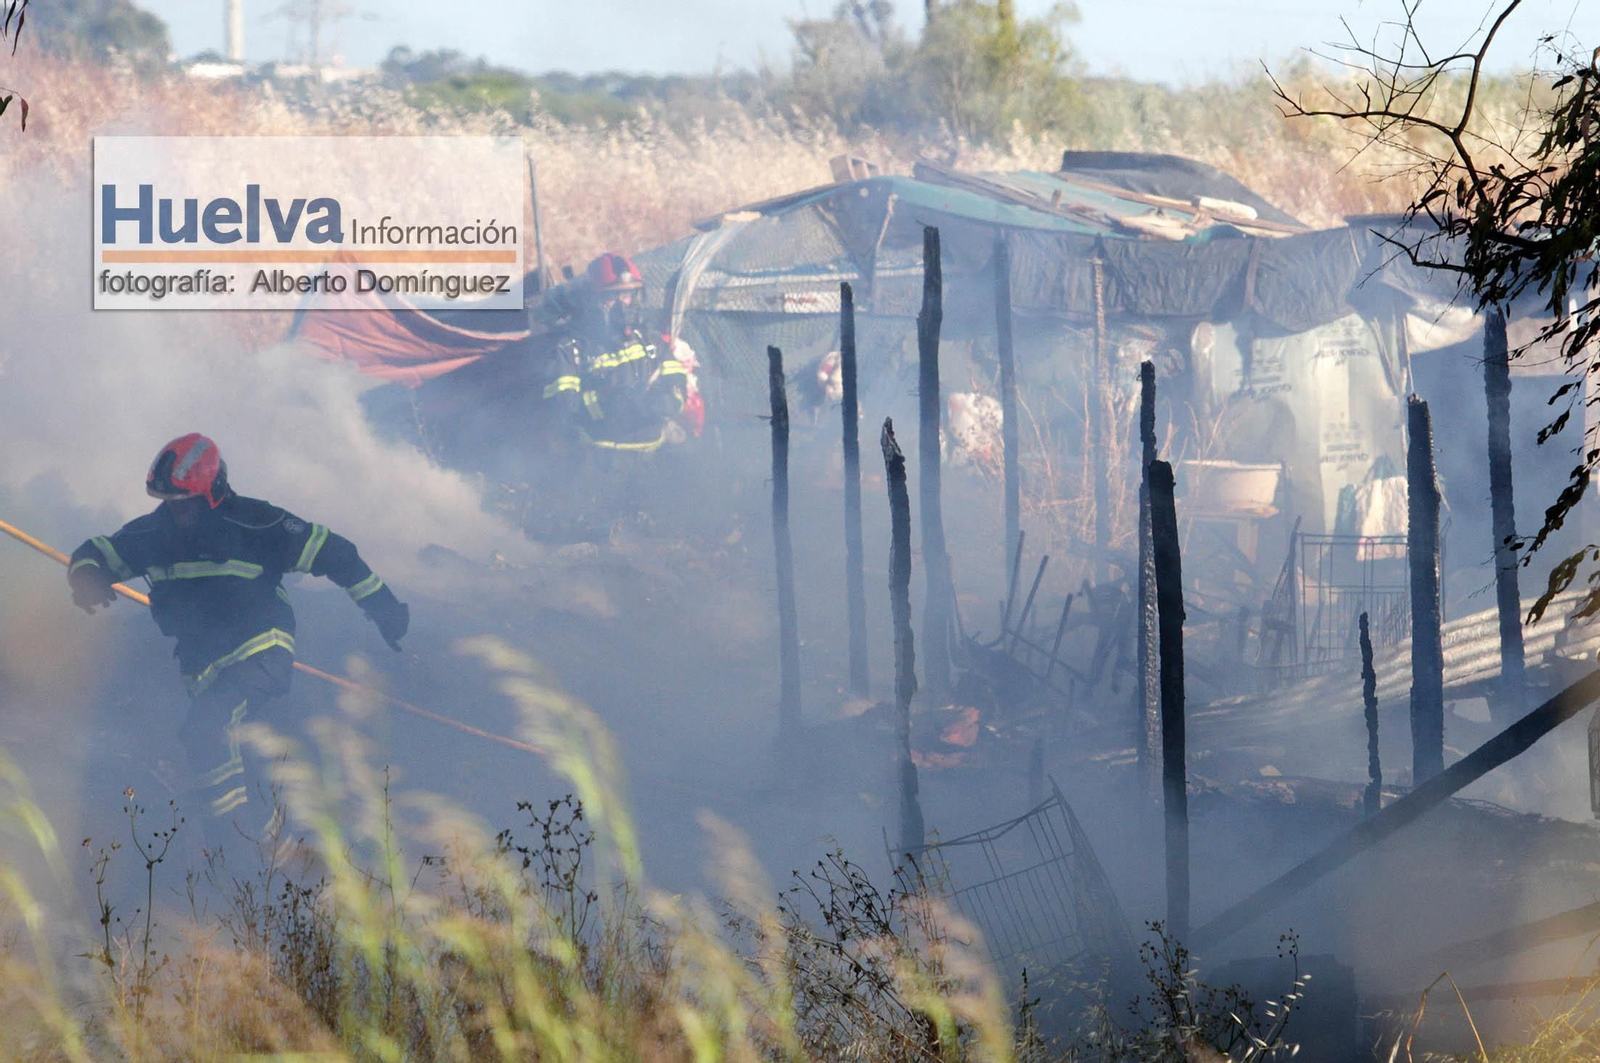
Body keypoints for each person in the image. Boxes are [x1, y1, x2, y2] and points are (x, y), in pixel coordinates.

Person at [67, 433, 410, 852]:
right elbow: (95, 552)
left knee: (205, 728)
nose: (178, 514)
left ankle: (231, 842)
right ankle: (276, 851)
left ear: (212, 491)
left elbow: (336, 554)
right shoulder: (152, 533)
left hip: (260, 647)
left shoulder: (259, 523)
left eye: (186, 503)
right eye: (170, 503)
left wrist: (384, 608)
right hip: (201, 666)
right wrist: (85, 577)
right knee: (224, 749)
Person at [541, 252, 700, 453]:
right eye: (610, 296)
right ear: (592, 299)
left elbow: (677, 382)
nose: (621, 305)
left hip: (653, 453)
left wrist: (665, 401)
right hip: (600, 457)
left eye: (626, 295)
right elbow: (561, 406)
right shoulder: (571, 347)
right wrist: (608, 404)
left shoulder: (649, 339)